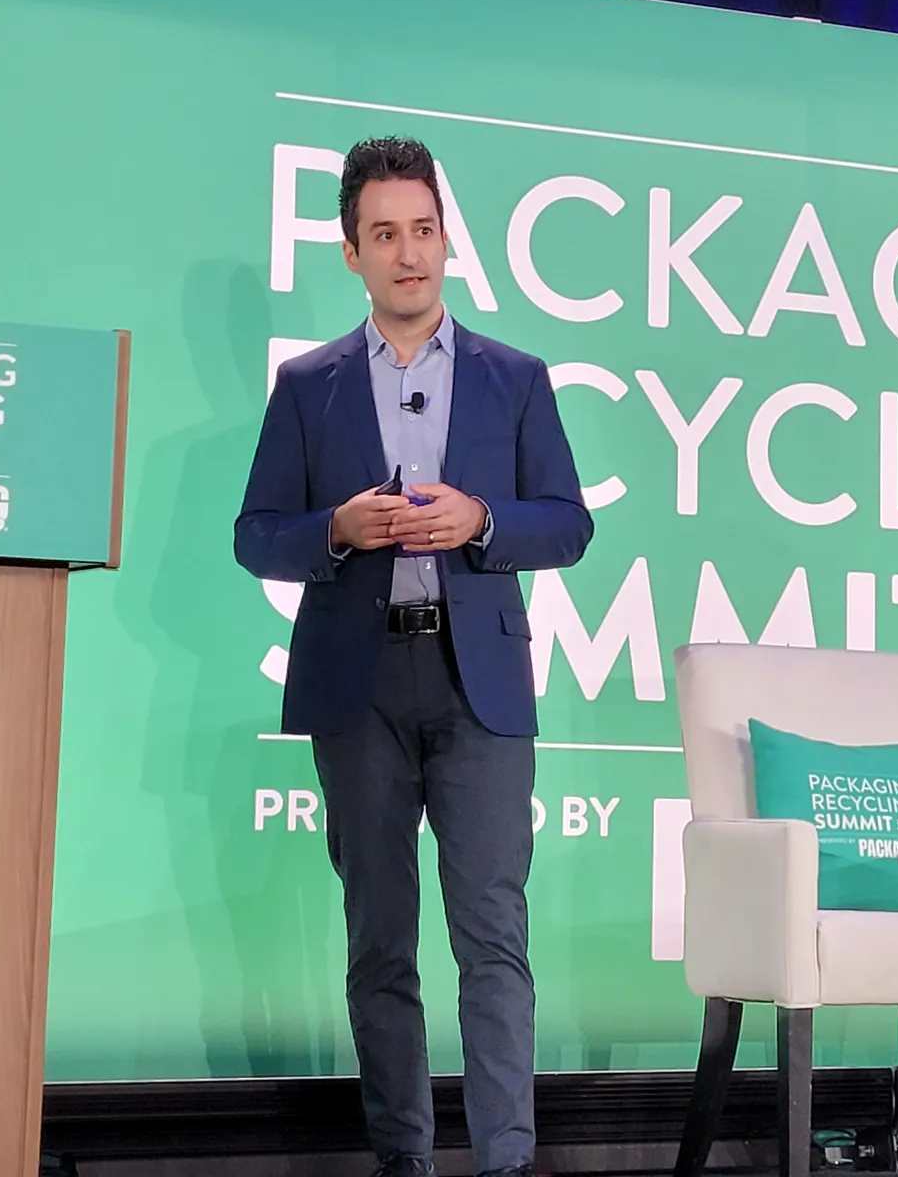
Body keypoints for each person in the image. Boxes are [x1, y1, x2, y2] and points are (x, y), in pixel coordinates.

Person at [234, 136, 593, 1177]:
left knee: (493, 942)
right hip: (360, 688)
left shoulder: (514, 380)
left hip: (476, 684)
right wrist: (337, 530)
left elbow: (567, 524)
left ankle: (505, 1165)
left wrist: (483, 519)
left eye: (423, 231)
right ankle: (403, 1161)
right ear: (350, 252)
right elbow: (257, 533)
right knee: (379, 946)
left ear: (446, 241)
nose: (408, 254)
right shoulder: (310, 387)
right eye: (384, 235)